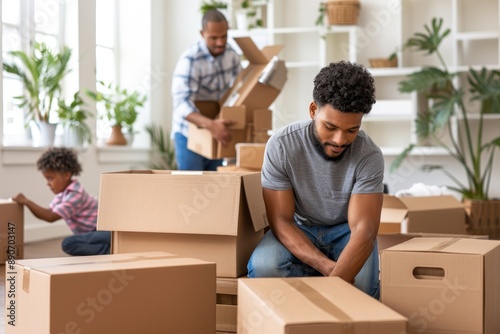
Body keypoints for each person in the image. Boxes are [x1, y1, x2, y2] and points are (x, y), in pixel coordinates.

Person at [247, 61, 384, 299]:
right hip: (300, 227)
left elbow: (364, 230)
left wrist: (337, 279)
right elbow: (280, 221)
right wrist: (330, 269)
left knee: (361, 286)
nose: (340, 140)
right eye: (330, 127)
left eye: (352, 130)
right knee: (265, 266)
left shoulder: (369, 155)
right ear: (313, 111)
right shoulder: (282, 145)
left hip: (346, 232)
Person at [171, 9, 242, 171]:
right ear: (202, 33)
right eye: (214, 38)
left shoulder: (231, 56)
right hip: (188, 133)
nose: (220, 42)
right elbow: (181, 104)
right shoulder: (190, 60)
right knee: (192, 186)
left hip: (216, 129)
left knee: (212, 186)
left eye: (224, 36)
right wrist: (211, 125)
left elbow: (240, 89)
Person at [12, 147, 110, 256]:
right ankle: (108, 249)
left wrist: (26, 201)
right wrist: (26, 203)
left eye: (50, 178)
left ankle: (111, 250)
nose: (47, 183)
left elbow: (50, 217)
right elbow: (48, 212)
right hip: (92, 233)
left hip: (104, 231)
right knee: (72, 242)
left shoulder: (75, 194)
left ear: (66, 175)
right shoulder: (63, 194)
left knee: (68, 243)